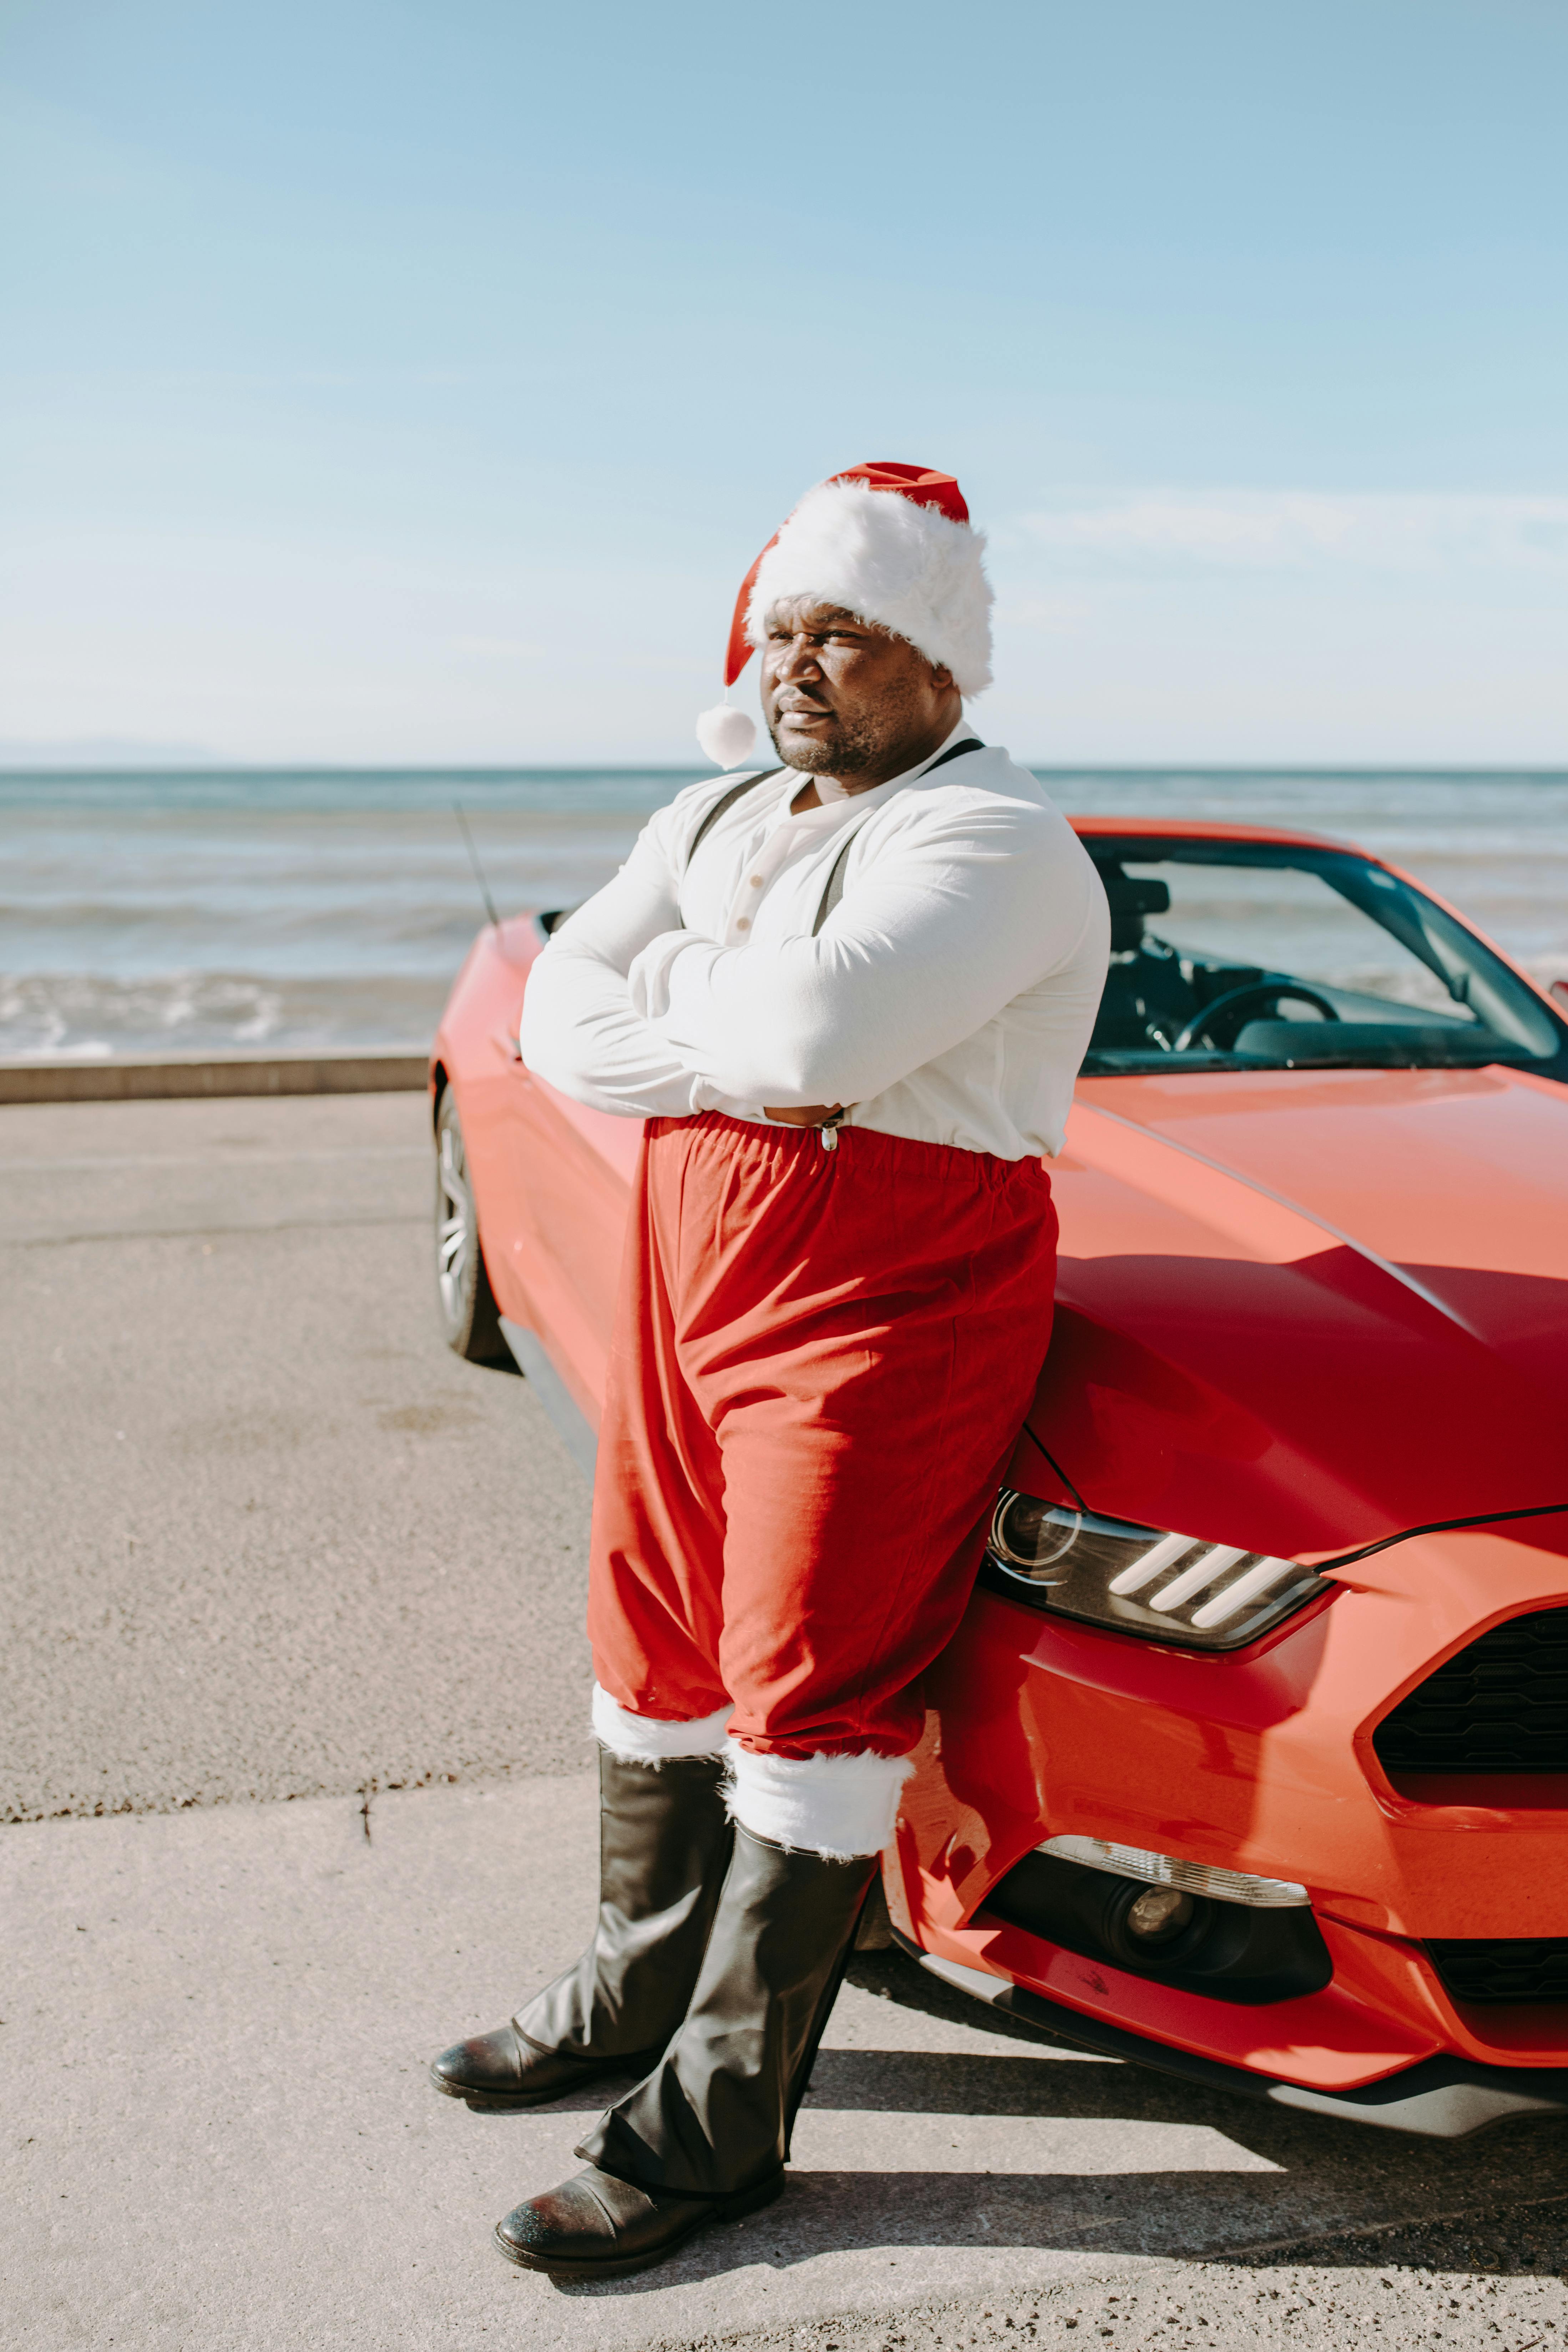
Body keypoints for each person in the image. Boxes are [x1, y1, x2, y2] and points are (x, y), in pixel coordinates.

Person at [429, 461, 1109, 2279]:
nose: (797, 663)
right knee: (648, 1631)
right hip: (692, 1254)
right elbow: (566, 1011)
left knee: (808, 1679)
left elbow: (825, 1028)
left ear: (941, 659)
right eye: (784, 628)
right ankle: (626, 1990)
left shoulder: (998, 840)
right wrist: (742, 1034)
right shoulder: (721, 805)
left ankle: (718, 2125)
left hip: (893, 1284)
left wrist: (717, 1013)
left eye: (848, 633)